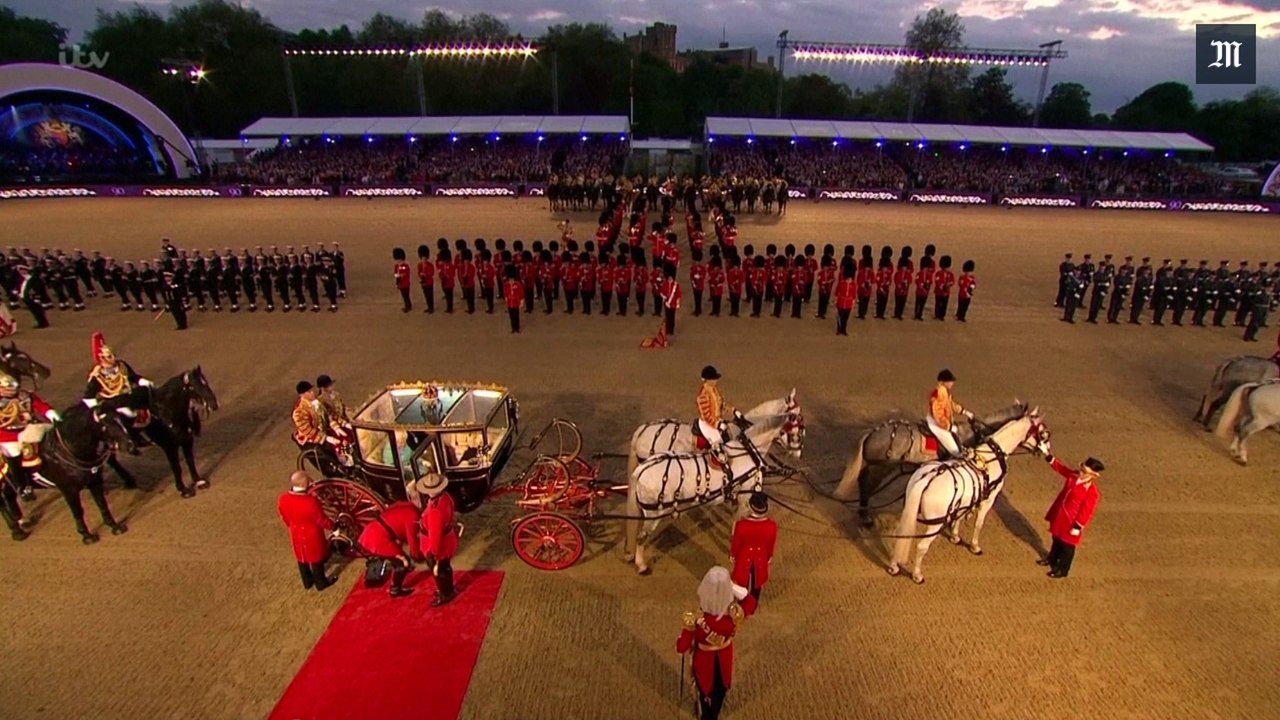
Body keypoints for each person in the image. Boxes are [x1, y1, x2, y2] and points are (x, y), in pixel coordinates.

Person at [676, 566, 757, 720]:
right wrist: (729, 587)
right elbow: (750, 602)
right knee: (720, 690)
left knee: (703, 691)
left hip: (703, 661)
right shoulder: (733, 617)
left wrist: (681, 639)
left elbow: (682, 647)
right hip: (724, 657)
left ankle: (706, 713)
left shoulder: (696, 619)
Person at [83, 332, 154, 445]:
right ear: (102, 359)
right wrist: (98, 409)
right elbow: (88, 397)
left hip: (127, 394)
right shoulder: (97, 376)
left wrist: (142, 381)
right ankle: (133, 437)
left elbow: (133, 377)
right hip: (113, 402)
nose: (113, 358)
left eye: (112, 355)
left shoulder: (121, 365)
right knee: (128, 413)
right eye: (110, 356)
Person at [1040, 454, 1103, 579]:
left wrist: (1078, 526)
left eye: (1084, 472)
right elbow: (1061, 469)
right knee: (1056, 539)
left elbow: (1087, 511)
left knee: (1067, 546)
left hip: (1071, 520)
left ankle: (1063, 569)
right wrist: (1048, 456)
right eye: (1082, 469)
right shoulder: (1074, 476)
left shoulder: (1092, 492)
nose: (1081, 472)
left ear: (1093, 475)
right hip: (1060, 514)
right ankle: (1052, 559)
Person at [0, 369, 60, 501]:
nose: (13, 390)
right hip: (7, 435)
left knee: (52, 434)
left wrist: (53, 416)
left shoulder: (24, 395)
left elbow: (41, 406)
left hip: (29, 428)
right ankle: (23, 486)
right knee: (14, 453)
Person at [277, 471, 335, 591]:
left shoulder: (283, 499)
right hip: (312, 534)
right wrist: (333, 526)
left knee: (301, 557)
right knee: (316, 558)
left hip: (295, 531)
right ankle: (321, 582)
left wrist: (292, 526)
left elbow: (285, 517)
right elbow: (321, 520)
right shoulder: (310, 502)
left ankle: (307, 581)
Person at [356, 500, 423, 598]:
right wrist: (417, 556)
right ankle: (395, 589)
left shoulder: (407, 505)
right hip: (379, 540)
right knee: (403, 563)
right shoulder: (413, 516)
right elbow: (412, 539)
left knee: (401, 559)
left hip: (373, 530)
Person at [417, 472, 460, 607]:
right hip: (449, 539)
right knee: (446, 567)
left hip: (438, 546)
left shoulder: (435, 510)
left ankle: (445, 593)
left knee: (439, 570)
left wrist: (432, 552)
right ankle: (449, 589)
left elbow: (435, 534)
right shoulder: (446, 498)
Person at [730, 492, 777, 604]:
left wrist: (733, 555)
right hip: (761, 556)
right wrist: (769, 555)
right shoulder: (772, 526)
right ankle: (753, 603)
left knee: (742, 583)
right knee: (757, 584)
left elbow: (736, 543)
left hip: (744, 555)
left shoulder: (741, 525)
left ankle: (742, 606)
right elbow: (771, 544)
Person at [292, 380, 348, 470]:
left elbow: (328, 416)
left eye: (312, 390)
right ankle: (338, 467)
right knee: (329, 448)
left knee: (345, 436)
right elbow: (308, 431)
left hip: (323, 430)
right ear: (302, 395)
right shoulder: (299, 412)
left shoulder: (318, 403)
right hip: (311, 438)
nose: (312, 393)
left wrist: (337, 427)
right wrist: (327, 438)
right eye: (309, 392)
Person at [927, 369, 972, 459]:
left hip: (941, 422)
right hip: (937, 424)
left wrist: (964, 411)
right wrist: (948, 426)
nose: (952, 384)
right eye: (950, 381)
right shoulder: (939, 392)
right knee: (954, 449)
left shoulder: (945, 391)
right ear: (944, 382)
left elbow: (950, 404)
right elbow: (937, 413)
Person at [696, 366, 732, 450]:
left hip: (717, 420)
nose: (715, 381)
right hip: (707, 424)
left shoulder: (714, 390)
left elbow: (722, 404)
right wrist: (718, 424)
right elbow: (707, 416)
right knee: (718, 443)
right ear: (707, 380)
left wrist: (733, 411)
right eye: (713, 379)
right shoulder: (703, 396)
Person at [834, 261, 855, 336]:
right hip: (841, 302)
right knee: (840, 317)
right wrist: (836, 300)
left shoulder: (853, 284)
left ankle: (844, 329)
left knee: (845, 318)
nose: (849, 279)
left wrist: (853, 302)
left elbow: (854, 295)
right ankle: (839, 329)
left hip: (848, 303)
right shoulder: (842, 283)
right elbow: (837, 292)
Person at [661, 262, 682, 337]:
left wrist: (677, 301)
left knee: (672, 317)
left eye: (671, 278)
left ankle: (671, 330)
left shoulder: (676, 285)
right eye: (669, 278)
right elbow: (662, 292)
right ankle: (667, 329)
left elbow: (679, 294)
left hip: (672, 303)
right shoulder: (665, 284)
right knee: (667, 316)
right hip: (667, 302)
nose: (670, 279)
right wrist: (664, 297)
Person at [504, 266, 524, 334]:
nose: (511, 281)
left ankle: (517, 328)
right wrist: (506, 303)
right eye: (510, 279)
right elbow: (506, 295)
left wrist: (521, 303)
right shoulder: (506, 285)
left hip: (516, 302)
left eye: (512, 279)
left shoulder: (518, 284)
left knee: (516, 316)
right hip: (510, 303)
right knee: (511, 317)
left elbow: (521, 294)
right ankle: (513, 328)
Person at [393, 248, 411, 312]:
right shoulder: (397, 266)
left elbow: (404, 273)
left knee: (406, 295)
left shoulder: (404, 266)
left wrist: (399, 275)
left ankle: (408, 306)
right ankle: (407, 305)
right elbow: (396, 273)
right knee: (404, 296)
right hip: (400, 283)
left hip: (405, 283)